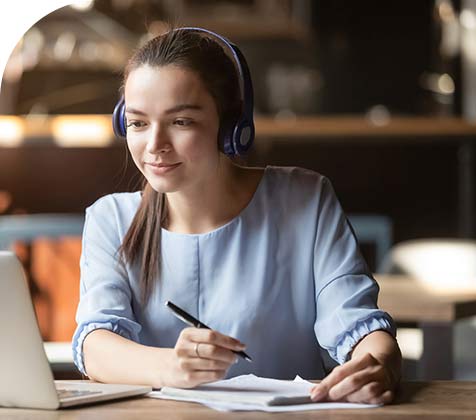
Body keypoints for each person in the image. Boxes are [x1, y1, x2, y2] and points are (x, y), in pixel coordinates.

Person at [73, 26, 402, 404]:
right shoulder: (110, 219)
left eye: (181, 122)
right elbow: (96, 345)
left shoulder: (305, 200)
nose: (155, 145)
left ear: (232, 128)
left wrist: (380, 362)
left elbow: (357, 324)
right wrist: (174, 368)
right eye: (138, 123)